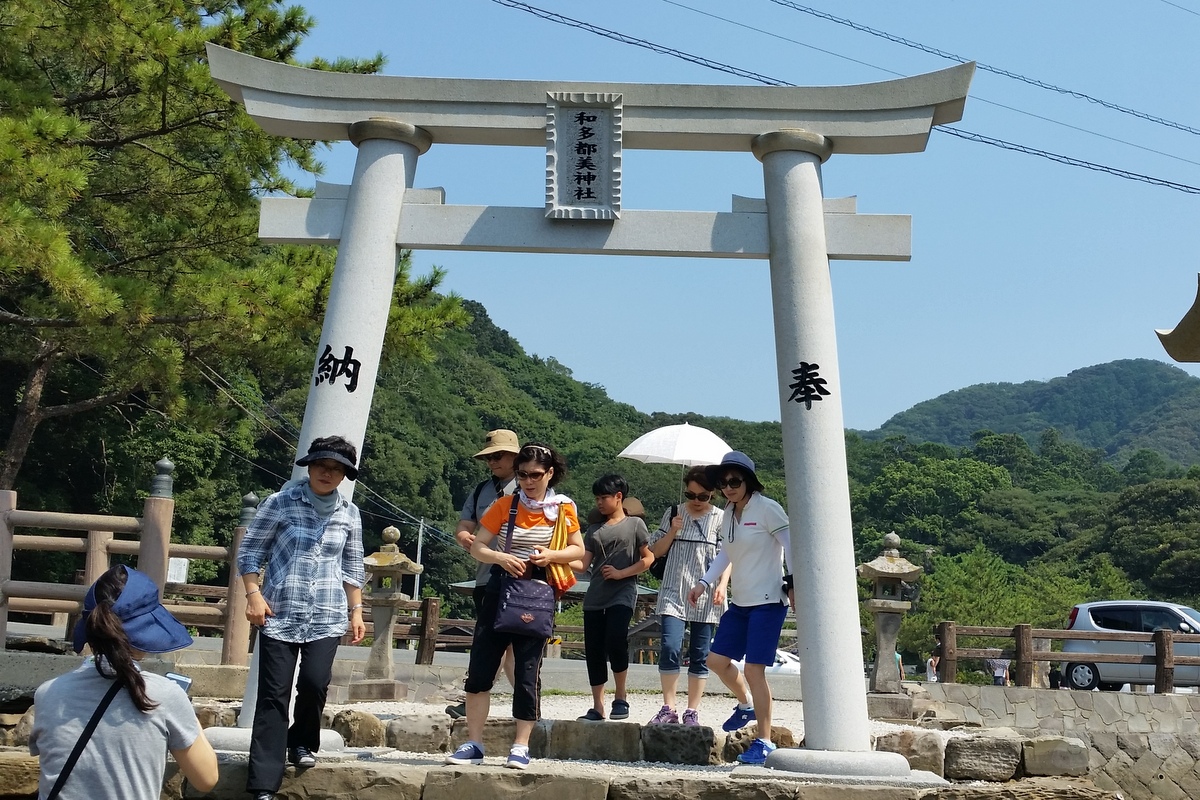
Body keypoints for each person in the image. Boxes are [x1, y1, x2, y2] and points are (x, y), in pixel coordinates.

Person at [237, 435, 367, 800]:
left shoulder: (349, 513)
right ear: (309, 467)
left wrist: (357, 610)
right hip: (278, 611)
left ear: (344, 476)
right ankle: (263, 781)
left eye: (336, 469)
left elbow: (352, 566)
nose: (327, 474)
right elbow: (249, 554)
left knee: (313, 683)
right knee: (273, 694)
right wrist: (253, 596)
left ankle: (303, 742)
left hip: (327, 614)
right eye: (322, 466)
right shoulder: (279, 503)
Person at [445, 442, 585, 770]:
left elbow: (578, 550)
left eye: (535, 475)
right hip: (500, 584)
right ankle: (474, 741)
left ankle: (521, 745)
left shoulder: (563, 509)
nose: (528, 481)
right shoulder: (505, 504)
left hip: (539, 587)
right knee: (481, 668)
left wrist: (552, 556)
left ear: (550, 473)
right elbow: (478, 545)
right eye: (522, 475)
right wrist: (500, 557)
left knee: (526, 670)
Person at [29, 565, 218, 800]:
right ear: (147, 629)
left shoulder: (48, 693)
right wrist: (186, 712)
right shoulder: (164, 695)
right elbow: (206, 779)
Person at [688, 451, 793, 766]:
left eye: (735, 481)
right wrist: (704, 582)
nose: (729, 487)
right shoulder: (727, 513)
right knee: (715, 661)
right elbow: (725, 553)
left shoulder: (767, 509)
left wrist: (794, 584)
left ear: (749, 481)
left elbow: (792, 545)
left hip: (769, 602)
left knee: (753, 669)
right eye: (723, 483)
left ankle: (764, 741)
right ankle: (745, 703)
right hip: (740, 602)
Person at [646, 465, 729, 727]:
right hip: (674, 588)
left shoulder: (721, 518)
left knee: (700, 652)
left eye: (702, 496)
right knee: (670, 646)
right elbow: (655, 551)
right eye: (690, 495)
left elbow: (728, 556)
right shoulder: (674, 513)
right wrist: (672, 531)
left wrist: (723, 585)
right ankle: (668, 707)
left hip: (706, 593)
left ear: (712, 495)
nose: (695, 501)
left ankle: (692, 710)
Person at [449, 429, 520, 718]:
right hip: (485, 576)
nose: (492, 461)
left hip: (520, 578)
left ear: (515, 456)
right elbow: (463, 525)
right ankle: (478, 696)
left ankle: (526, 700)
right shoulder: (481, 490)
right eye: (489, 457)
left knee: (518, 644)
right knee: (488, 642)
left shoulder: (529, 490)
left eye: (498, 455)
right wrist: (464, 536)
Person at [576, 474, 654, 721]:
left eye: (604, 497)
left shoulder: (635, 525)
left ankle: (621, 697)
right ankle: (598, 705)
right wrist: (557, 557)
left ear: (619, 497)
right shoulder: (593, 529)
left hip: (623, 592)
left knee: (616, 640)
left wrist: (622, 573)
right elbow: (583, 564)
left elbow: (648, 558)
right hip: (595, 595)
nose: (599, 502)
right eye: (597, 498)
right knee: (594, 650)